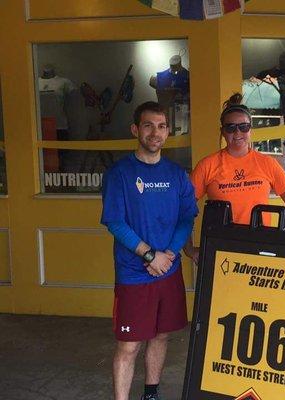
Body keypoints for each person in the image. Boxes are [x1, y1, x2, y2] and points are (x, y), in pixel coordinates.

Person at [100, 101, 198, 400]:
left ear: (168, 131)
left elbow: (187, 218)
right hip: (134, 274)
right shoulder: (119, 173)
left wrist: (169, 253)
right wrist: (149, 255)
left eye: (161, 126)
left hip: (168, 270)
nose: (155, 132)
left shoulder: (177, 174)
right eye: (148, 125)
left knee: (161, 335)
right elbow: (115, 222)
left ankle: (151, 394)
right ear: (135, 129)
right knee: (129, 345)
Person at [186, 93, 285, 262]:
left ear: (251, 130)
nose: (237, 132)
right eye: (230, 127)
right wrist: (190, 249)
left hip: (261, 250)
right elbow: (183, 207)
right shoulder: (207, 165)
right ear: (222, 132)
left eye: (244, 127)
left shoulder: (267, 163)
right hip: (221, 253)